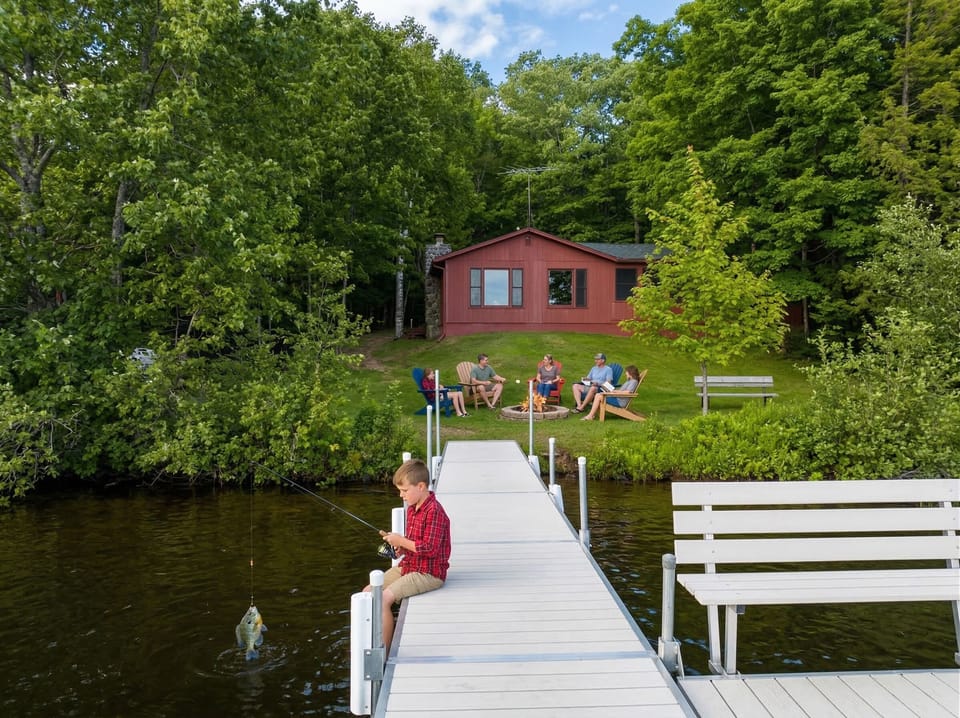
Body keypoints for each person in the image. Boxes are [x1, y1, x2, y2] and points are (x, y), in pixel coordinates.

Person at [364, 459, 451, 654]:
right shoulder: (413, 508)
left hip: (429, 573)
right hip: (409, 565)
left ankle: (382, 653)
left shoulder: (434, 511)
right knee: (368, 591)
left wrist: (401, 541)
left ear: (420, 487)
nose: (401, 496)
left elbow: (429, 548)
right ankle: (369, 639)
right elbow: (412, 542)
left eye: (404, 491)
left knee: (384, 599)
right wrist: (398, 547)